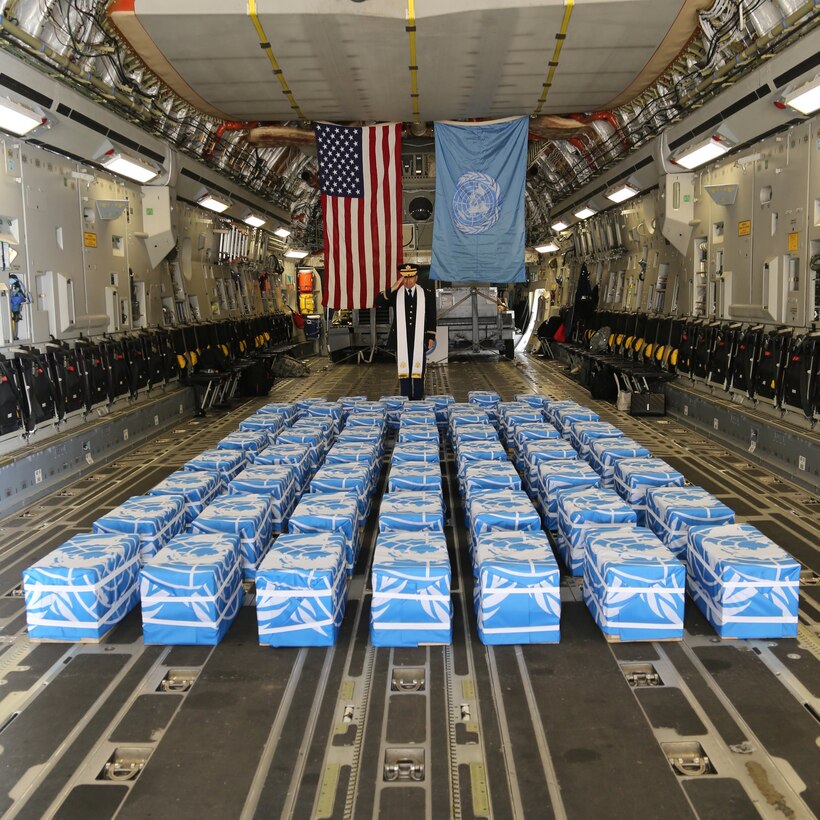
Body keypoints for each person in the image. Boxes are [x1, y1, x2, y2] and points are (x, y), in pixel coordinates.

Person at [375, 264, 436, 400]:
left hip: (419, 338)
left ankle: (418, 397)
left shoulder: (426, 294)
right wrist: (393, 287)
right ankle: (406, 398)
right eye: (405, 278)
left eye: (411, 278)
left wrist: (431, 336)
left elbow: (432, 316)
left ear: (416, 277)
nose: (408, 281)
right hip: (401, 338)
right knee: (404, 370)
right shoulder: (396, 293)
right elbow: (378, 302)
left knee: (419, 369)